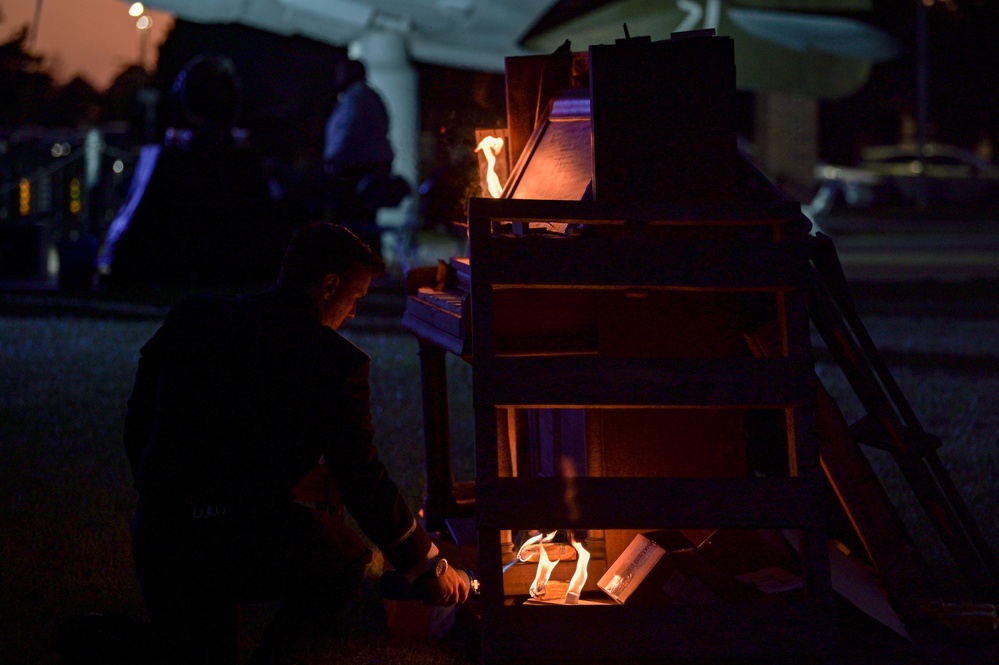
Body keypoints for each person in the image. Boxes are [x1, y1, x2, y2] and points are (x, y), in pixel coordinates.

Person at [124, 222, 470, 664]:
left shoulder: (194, 316)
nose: (354, 315)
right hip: (231, 544)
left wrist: (164, 493)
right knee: (343, 557)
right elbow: (363, 480)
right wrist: (428, 565)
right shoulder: (333, 362)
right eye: (356, 298)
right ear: (329, 286)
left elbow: (138, 419)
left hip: (159, 537)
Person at [98, 55, 285, 291]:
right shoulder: (246, 160)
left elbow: (128, 243)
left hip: (172, 280)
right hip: (235, 280)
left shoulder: (168, 157)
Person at [319, 57, 408, 256]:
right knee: (367, 220)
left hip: (356, 170)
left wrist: (331, 159)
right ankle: (368, 261)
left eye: (341, 72)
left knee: (353, 221)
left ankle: (355, 262)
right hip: (371, 167)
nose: (337, 77)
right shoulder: (370, 96)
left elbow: (346, 133)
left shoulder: (355, 99)